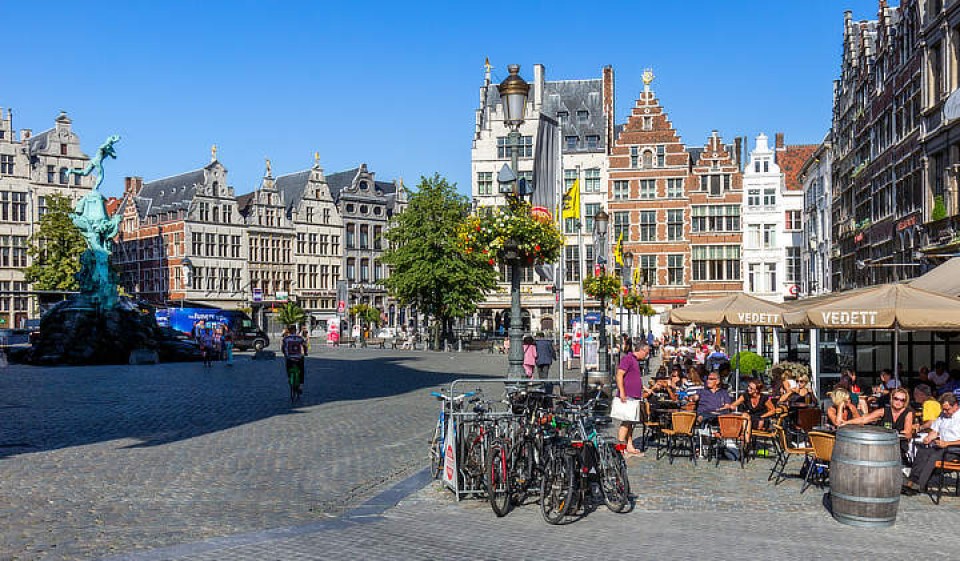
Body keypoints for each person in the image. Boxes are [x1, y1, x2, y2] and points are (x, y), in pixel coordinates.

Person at [901, 393, 960, 495]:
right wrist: (929, 437)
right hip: (941, 446)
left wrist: (947, 443)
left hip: (955, 449)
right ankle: (911, 482)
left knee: (934, 455)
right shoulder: (943, 415)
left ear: (955, 406)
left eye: (948, 409)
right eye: (943, 409)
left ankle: (919, 485)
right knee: (923, 451)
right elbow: (935, 431)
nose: (945, 412)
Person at [841, 387, 914, 463]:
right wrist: (846, 422)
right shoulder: (883, 411)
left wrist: (893, 436)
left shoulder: (908, 413)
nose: (898, 402)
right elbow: (864, 419)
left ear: (905, 402)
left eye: (902, 400)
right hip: (881, 446)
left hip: (899, 448)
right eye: (896, 398)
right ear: (892, 399)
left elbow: (907, 433)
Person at [615, 340, 651, 457]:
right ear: (642, 350)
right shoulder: (628, 359)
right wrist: (622, 392)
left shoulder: (635, 361)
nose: (647, 355)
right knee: (626, 421)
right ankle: (620, 446)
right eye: (647, 353)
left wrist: (644, 388)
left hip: (634, 396)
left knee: (630, 422)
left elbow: (634, 378)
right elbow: (620, 374)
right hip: (627, 395)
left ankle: (629, 445)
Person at [282, 324, 308, 392]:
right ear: (295, 330)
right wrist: (305, 352)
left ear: (288, 331)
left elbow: (283, 348)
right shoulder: (300, 338)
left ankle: (289, 377)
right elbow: (304, 346)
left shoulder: (285, 339)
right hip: (299, 358)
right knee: (301, 370)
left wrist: (285, 354)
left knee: (288, 367)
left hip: (289, 358)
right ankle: (301, 385)